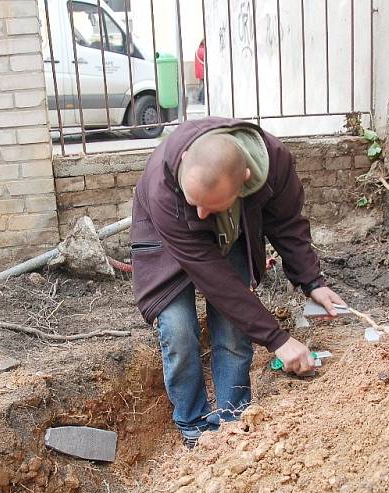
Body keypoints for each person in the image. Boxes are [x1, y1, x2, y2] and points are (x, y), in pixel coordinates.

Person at [130, 117, 345, 446]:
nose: (200, 214)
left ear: (245, 182)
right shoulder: (165, 185)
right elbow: (214, 278)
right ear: (185, 161)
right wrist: (277, 339)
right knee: (178, 327)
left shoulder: (274, 162)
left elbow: (287, 224)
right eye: (195, 201)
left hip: (233, 231)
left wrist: (312, 281)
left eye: (211, 206)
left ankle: (233, 418)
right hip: (166, 236)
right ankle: (193, 426)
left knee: (233, 328)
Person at [194, 39, 206, 104]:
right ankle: (201, 99)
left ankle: (200, 98)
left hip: (199, 72)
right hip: (203, 72)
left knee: (204, 85)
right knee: (206, 86)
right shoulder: (203, 50)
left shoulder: (198, 50)